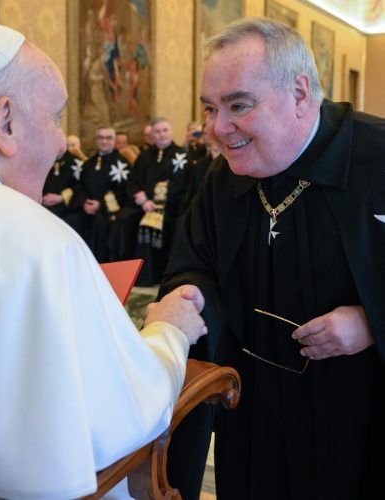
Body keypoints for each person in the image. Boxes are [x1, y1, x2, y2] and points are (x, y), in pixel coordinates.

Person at [0, 20, 208, 499]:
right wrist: (169, 330)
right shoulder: (26, 234)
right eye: (56, 118)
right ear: (5, 122)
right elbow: (120, 414)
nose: (61, 141)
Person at [159, 16, 385, 500]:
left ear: (300, 93)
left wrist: (371, 320)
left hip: (359, 415)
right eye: (210, 108)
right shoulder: (224, 176)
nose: (217, 128)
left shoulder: (379, 155)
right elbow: (194, 259)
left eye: (238, 105)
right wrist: (187, 295)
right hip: (254, 408)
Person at [110, 117, 189, 286]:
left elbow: (180, 185)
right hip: (142, 204)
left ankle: (148, 277)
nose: (162, 135)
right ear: (152, 135)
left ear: (171, 131)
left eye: (165, 130)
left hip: (168, 207)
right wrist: (141, 197)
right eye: (157, 131)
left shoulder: (182, 155)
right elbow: (132, 180)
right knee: (123, 220)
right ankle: (122, 272)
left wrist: (155, 202)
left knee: (149, 224)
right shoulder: (145, 155)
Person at [67, 126, 130, 262]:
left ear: (114, 140)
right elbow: (80, 187)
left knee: (100, 222)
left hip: (108, 211)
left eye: (108, 138)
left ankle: (99, 265)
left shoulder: (122, 164)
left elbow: (122, 191)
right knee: (71, 220)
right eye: (101, 138)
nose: (104, 141)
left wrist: (100, 205)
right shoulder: (89, 163)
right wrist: (84, 202)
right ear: (96, 140)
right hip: (86, 208)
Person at [41, 147, 84, 221]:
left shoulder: (77, 163)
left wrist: (61, 198)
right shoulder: (44, 158)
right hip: (41, 202)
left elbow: (80, 186)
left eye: (73, 145)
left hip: (64, 207)